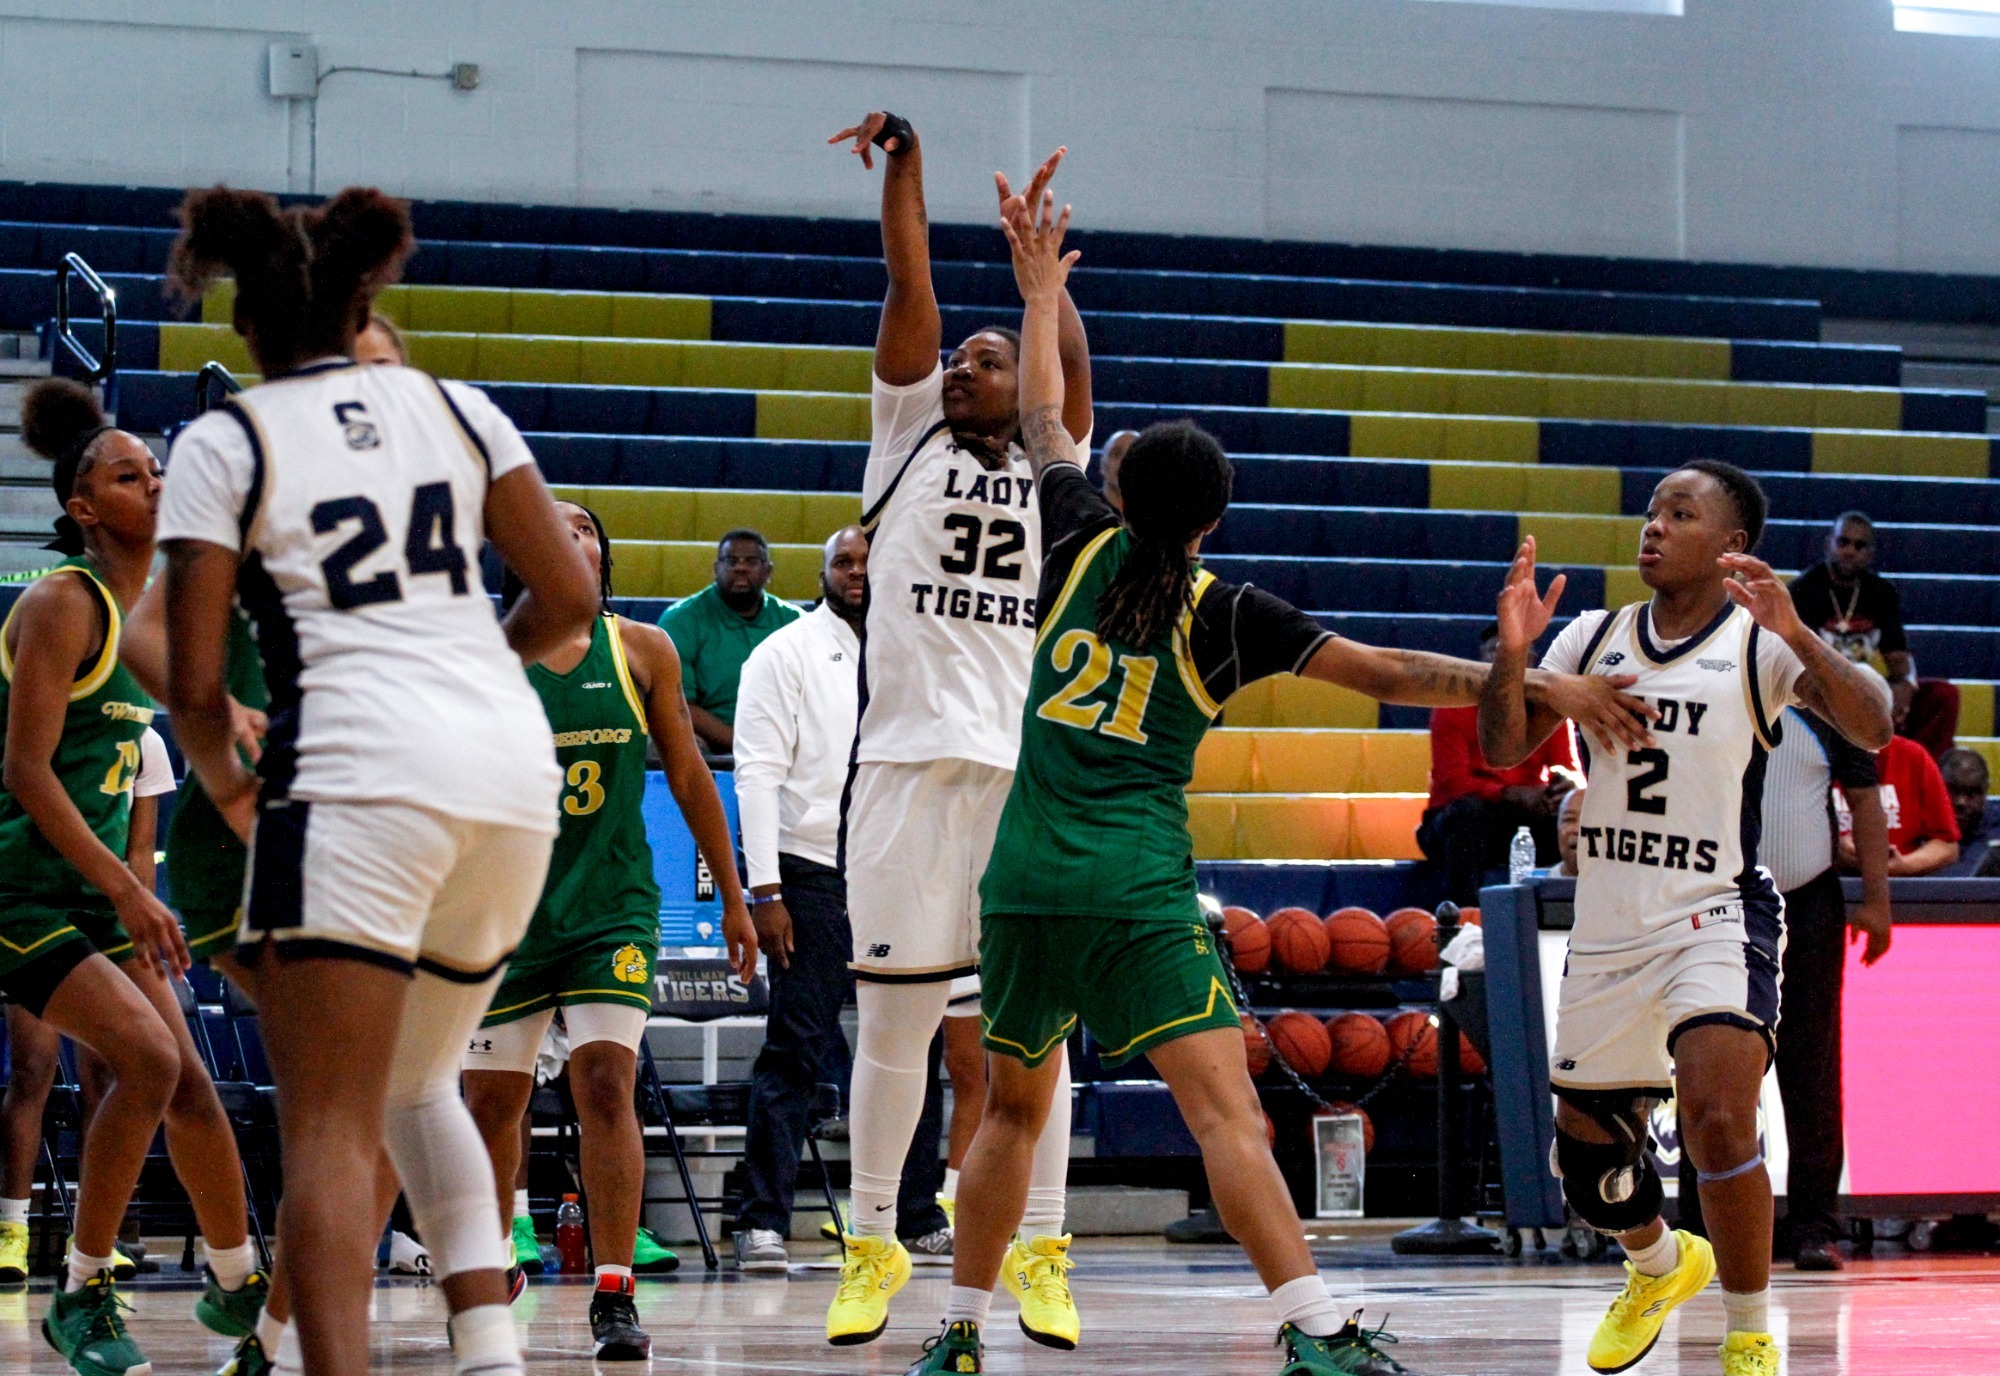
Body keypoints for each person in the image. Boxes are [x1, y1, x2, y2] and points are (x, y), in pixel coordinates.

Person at [903, 182, 1654, 1376]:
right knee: (1224, 1115)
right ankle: (1311, 1328)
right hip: (1134, 890)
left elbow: (1043, 417)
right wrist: (1532, 675)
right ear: (1209, 523)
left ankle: (952, 1335)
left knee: (1006, 1110)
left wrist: (1039, 284)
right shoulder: (1226, 611)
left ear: (1126, 493)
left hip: (1026, 875)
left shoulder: (1074, 534)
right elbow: (1394, 671)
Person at [157, 185, 601, 1376]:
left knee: (333, 1129)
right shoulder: (458, 406)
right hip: (511, 774)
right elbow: (570, 601)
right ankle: (490, 1353)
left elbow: (197, 681)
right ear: (366, 304)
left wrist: (231, 785)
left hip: (360, 771)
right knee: (422, 1080)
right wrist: (471, 674)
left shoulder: (226, 437)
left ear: (248, 324)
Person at [1480, 461, 1893, 1376]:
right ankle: (1660, 1264)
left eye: (1681, 513)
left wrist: (1808, 639)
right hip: (1610, 926)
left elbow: (1874, 726)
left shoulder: (1759, 642)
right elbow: (1503, 746)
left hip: (1716, 911)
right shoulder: (1592, 636)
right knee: (1587, 1169)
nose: (1654, 527)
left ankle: (1749, 1334)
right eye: (1652, 511)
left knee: (1717, 1116)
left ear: (1731, 546)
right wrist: (1516, 658)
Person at [817, 110, 1098, 1350]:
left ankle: (1042, 1244)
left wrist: (1042, 286)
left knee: (1029, 1033)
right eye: (960, 360)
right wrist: (911, 165)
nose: (963, 369)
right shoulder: (902, 435)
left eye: (987, 358)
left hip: (1019, 775)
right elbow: (907, 279)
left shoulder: (1050, 460)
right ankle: (872, 1237)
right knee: (891, 1025)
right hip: (901, 771)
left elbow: (1069, 379)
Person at [1, 377, 274, 1376]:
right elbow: (25, 770)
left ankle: (240, 1278)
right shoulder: (61, 604)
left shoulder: (157, 614)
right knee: (151, 1065)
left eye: (158, 470)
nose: (153, 484)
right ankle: (80, 1292)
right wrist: (128, 883)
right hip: (22, 888)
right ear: (83, 507)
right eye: (129, 475)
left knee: (194, 1084)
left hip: (98, 887)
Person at [461, 500, 753, 1361]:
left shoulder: (643, 650)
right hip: (507, 909)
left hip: (611, 904)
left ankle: (615, 1292)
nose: (573, 535)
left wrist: (734, 897)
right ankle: (492, 1256)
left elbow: (692, 775)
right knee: (489, 1107)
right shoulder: (486, 659)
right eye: (553, 524)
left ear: (603, 554)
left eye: (587, 526)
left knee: (602, 1082)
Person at [1678, 701, 1891, 1274]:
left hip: (1810, 902)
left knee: (1813, 1065)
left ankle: (1816, 1226)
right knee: (1709, 1059)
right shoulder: (1712, 690)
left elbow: (1865, 799)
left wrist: (1877, 901)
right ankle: (1700, 1225)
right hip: (1720, 902)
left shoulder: (1825, 701)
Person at [1416, 622, 1577, 904]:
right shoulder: (1452, 705)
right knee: (1467, 814)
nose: (1503, 660)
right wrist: (1509, 793)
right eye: (1495, 651)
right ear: (1482, 657)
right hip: (1459, 821)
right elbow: (1453, 782)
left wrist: (1563, 788)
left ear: (1531, 660)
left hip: (1524, 819)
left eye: (1514, 654)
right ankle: (1464, 921)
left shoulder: (1549, 708)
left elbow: (1571, 772)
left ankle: (1566, 912)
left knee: (1573, 818)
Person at [1788, 511, 1957, 757]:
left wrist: (1904, 686)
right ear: (1829, 544)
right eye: (1843, 542)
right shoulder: (1804, 589)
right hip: (1820, 687)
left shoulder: (1881, 592)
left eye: (1860, 546)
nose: (1850, 551)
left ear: (1870, 554)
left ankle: (1921, 771)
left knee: (1943, 695)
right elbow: (1799, 660)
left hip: (1867, 686)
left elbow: (1898, 660)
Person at [657, 529, 801, 754]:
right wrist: (743, 744)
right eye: (731, 561)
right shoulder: (681, 619)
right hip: (709, 743)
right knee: (672, 743)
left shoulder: (794, 620)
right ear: (716, 569)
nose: (741, 568)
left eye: (752, 561)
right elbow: (678, 704)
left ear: (768, 571)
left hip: (786, 738)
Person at [1838, 724, 1960, 877]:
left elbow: (1947, 846)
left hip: (1901, 888)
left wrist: (1904, 865)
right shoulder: (1815, 758)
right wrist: (1834, 848)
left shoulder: (1914, 756)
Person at [1938, 748, 1995, 876]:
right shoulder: (1914, 825)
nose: (1961, 802)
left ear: (1986, 791)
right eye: (1953, 791)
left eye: (1972, 793)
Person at [1094, 429, 1139, 512]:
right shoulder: (1082, 511)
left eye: (1135, 454)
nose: (1125, 461)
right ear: (1102, 465)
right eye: (1116, 453)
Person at [1557, 786, 1586, 877]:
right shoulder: (1538, 887)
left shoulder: (1624, 885)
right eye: (1569, 819)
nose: (1578, 829)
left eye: (1587, 820)